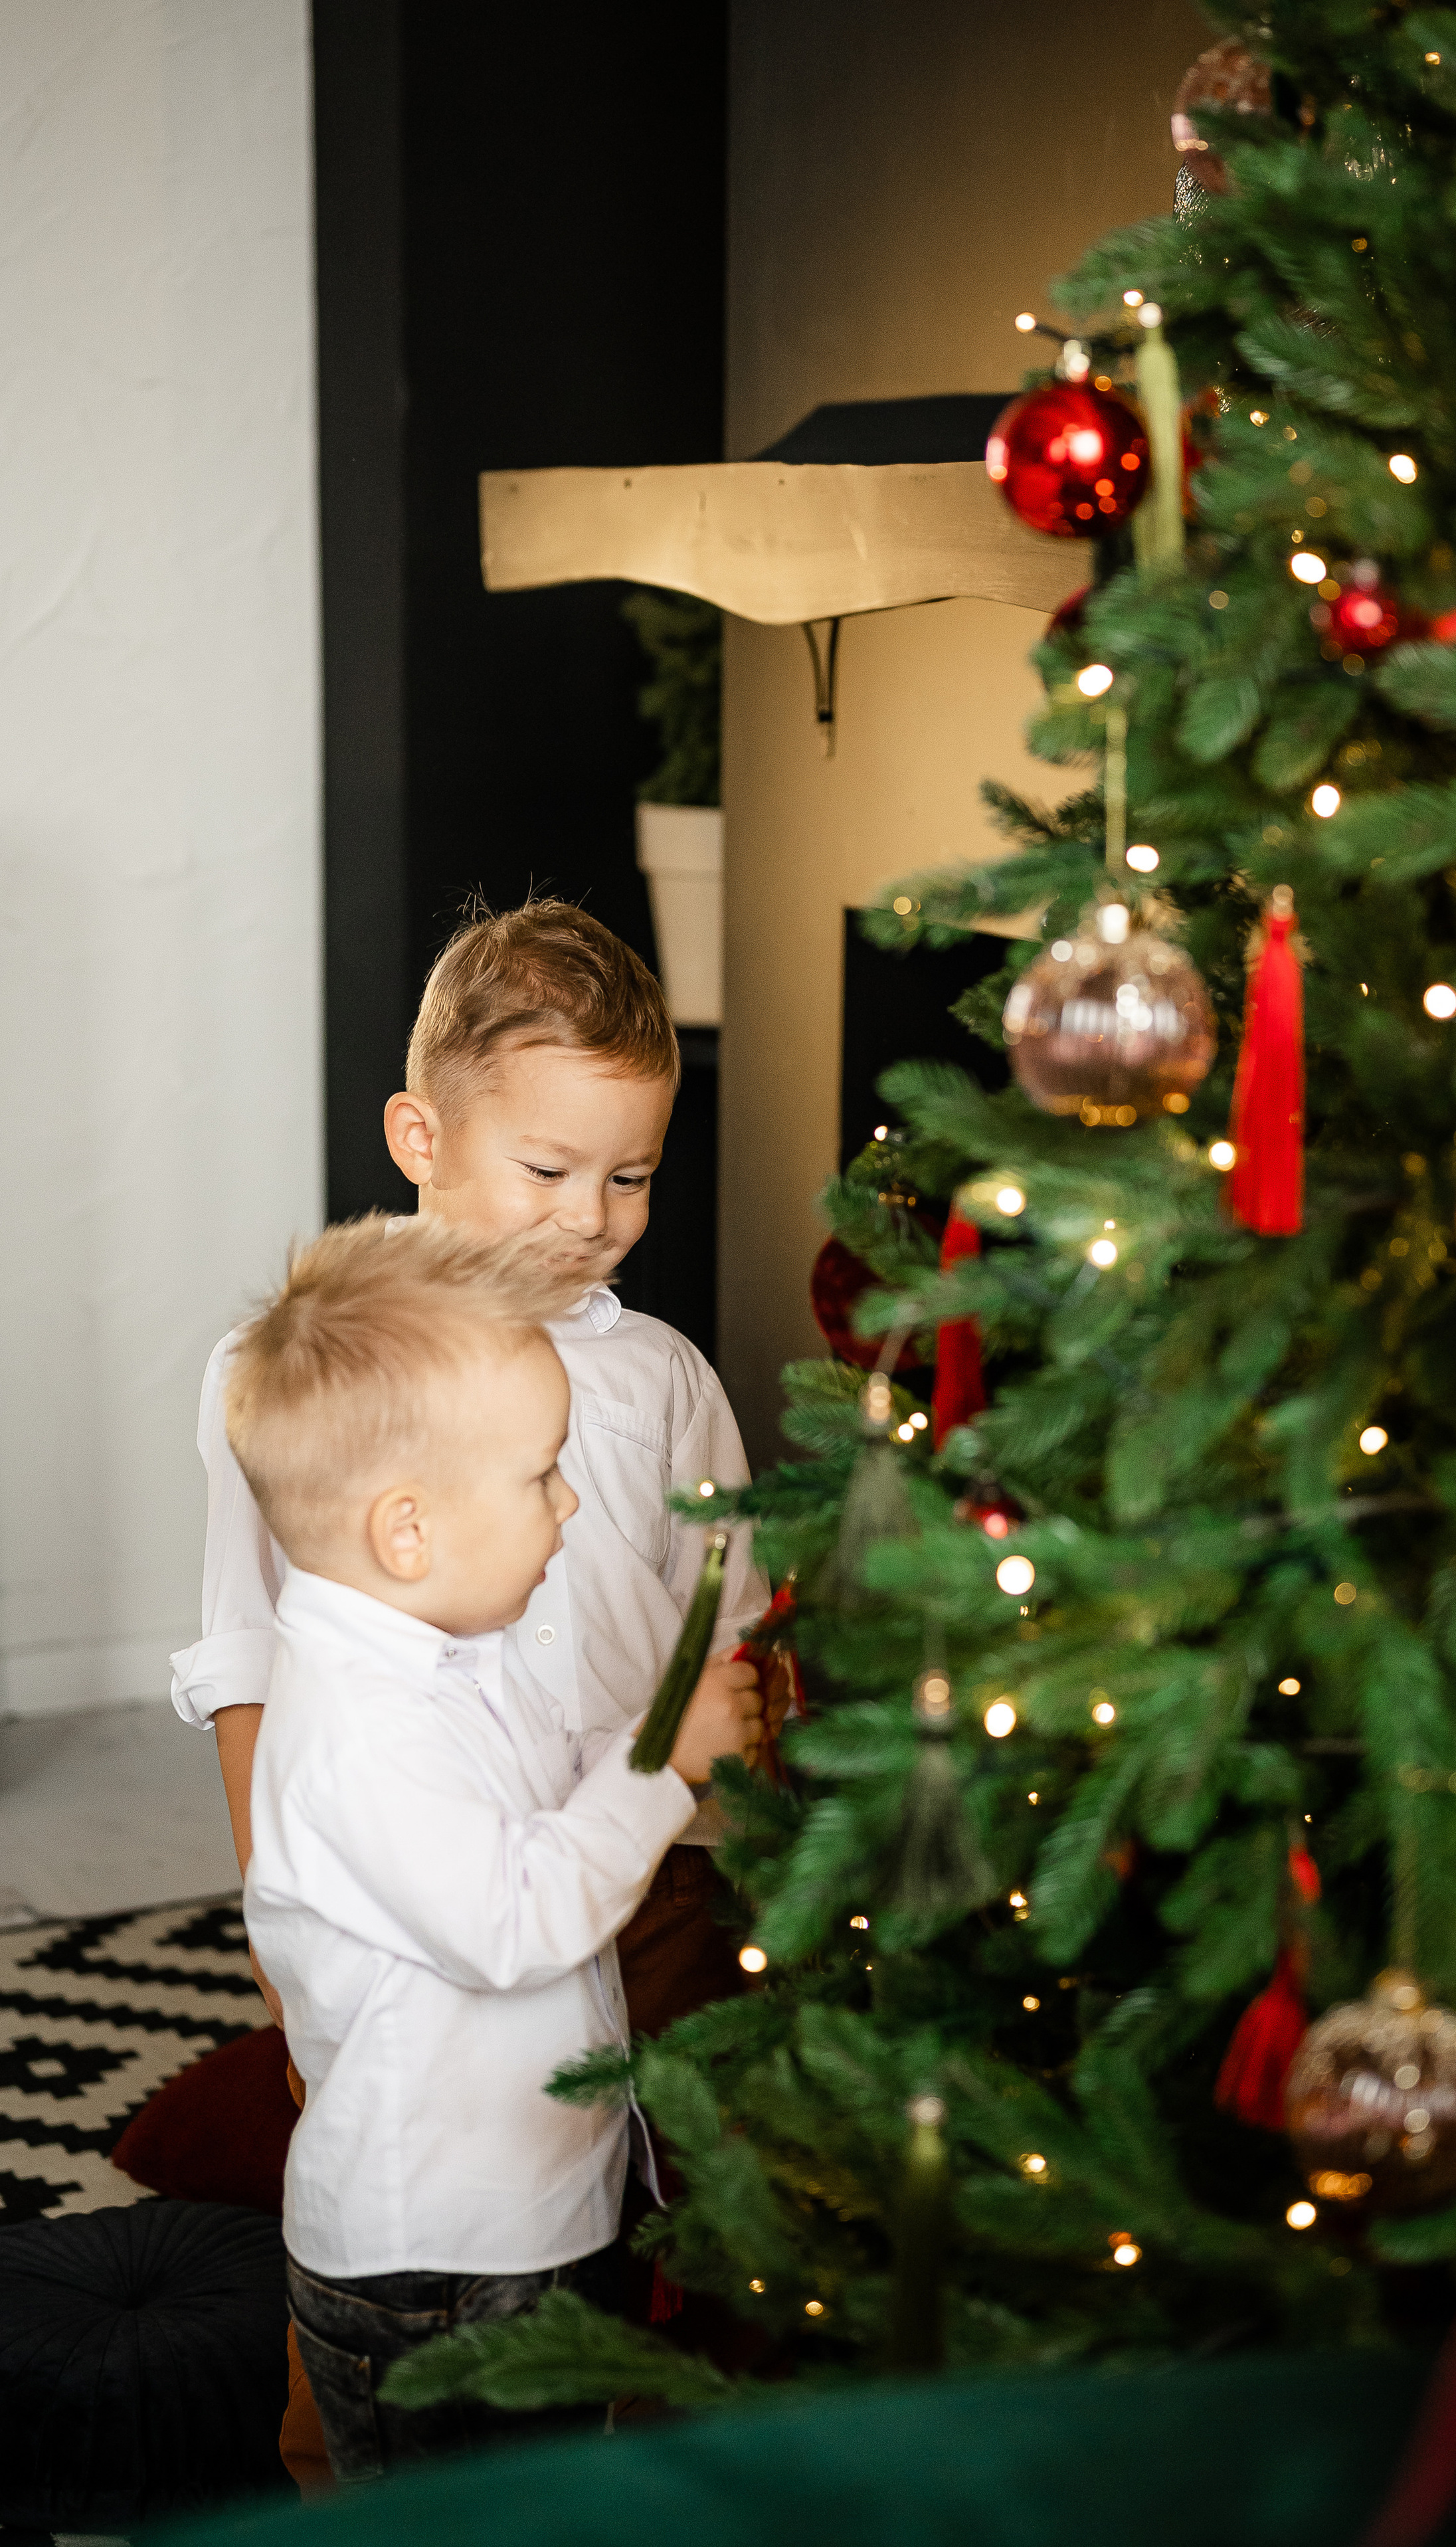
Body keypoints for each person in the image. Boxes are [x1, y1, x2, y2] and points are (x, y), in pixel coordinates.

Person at [169, 897, 767, 2483]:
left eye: (629, 1176)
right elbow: (251, 1660)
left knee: (654, 2173)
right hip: (414, 1891)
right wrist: (275, 1924)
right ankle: (346, 2457)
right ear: (419, 1135)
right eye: (548, 1171)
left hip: (652, 1865)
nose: (594, 1217)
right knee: (426, 2204)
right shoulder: (295, 1380)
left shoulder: (659, 1379)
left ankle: (638, 2421)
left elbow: (726, 1598)